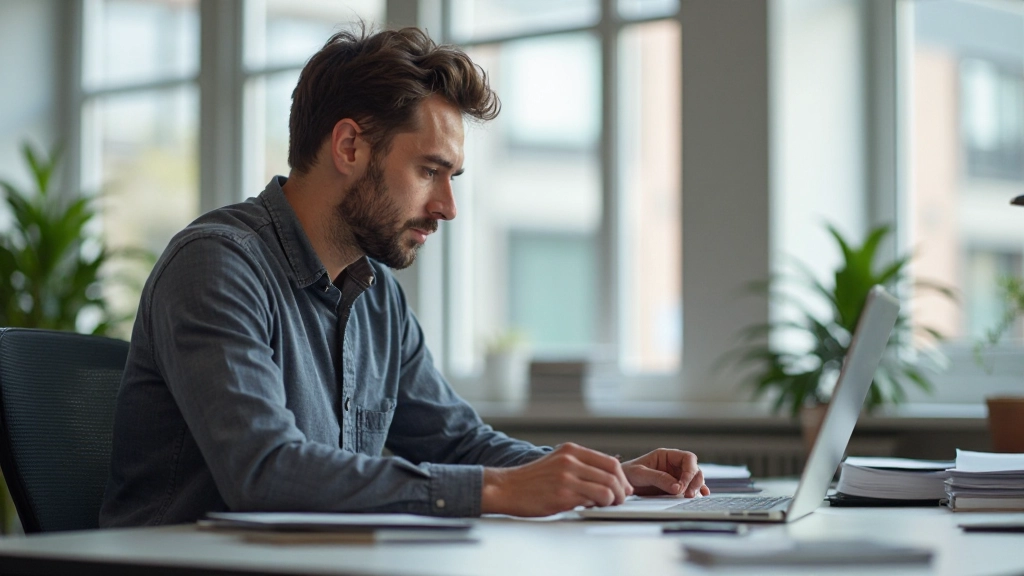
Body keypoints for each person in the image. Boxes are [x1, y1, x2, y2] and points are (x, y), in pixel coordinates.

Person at [99, 26, 709, 528]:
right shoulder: (216, 266)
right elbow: (266, 472)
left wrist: (604, 476)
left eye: (454, 178)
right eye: (429, 171)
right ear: (348, 147)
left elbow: (459, 443)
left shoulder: (376, 297)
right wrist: (495, 490)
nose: (447, 207)